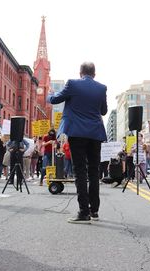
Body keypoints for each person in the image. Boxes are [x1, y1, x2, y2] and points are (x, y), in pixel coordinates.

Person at [47, 62, 107, 224]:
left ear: (80, 72)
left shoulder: (73, 84)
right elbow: (103, 111)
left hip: (77, 132)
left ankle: (83, 212)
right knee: (94, 171)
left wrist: (49, 94)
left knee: (80, 171)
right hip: (95, 133)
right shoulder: (102, 88)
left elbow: (54, 100)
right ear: (94, 73)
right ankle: (94, 210)